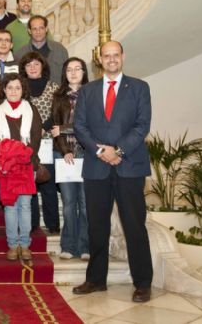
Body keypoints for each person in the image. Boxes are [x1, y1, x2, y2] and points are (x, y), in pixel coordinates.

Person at [72, 41, 153, 303]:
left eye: (115, 55)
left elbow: (142, 126)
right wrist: (100, 151)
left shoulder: (140, 87)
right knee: (97, 226)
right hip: (97, 167)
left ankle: (142, 282)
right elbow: (80, 126)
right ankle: (96, 279)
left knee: (134, 226)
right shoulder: (87, 91)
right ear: (100, 60)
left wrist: (118, 150)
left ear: (123, 57)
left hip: (129, 166)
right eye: (106, 56)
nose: (111, 60)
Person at [0, 74, 42, 261]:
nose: (13, 91)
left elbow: (35, 138)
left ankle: (25, 245)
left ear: (23, 90)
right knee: (10, 206)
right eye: (10, 87)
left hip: (27, 164)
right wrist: (13, 155)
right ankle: (12, 245)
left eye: (17, 88)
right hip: (6, 167)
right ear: (4, 89)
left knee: (25, 206)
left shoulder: (32, 110)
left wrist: (22, 154)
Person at [51, 57, 89, 260]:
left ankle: (85, 247)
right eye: (69, 70)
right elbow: (54, 128)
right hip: (63, 153)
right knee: (68, 203)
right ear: (64, 73)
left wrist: (66, 128)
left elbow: (92, 126)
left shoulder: (92, 94)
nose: (73, 73)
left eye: (77, 69)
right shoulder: (58, 96)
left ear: (84, 72)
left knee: (85, 203)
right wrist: (65, 149)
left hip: (87, 153)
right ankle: (68, 246)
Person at [19, 52, 60, 235]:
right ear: (24, 69)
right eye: (29, 65)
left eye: (36, 64)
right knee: (30, 184)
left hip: (48, 141)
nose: (33, 67)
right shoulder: (19, 88)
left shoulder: (54, 87)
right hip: (27, 143)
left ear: (43, 66)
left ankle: (53, 225)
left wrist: (44, 128)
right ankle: (33, 223)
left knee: (48, 184)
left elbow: (57, 112)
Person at [15, 15, 68, 84]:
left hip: (57, 93)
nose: (38, 32)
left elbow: (67, 75)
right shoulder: (20, 54)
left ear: (46, 29)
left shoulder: (60, 50)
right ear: (29, 31)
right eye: (34, 29)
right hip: (30, 93)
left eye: (41, 28)